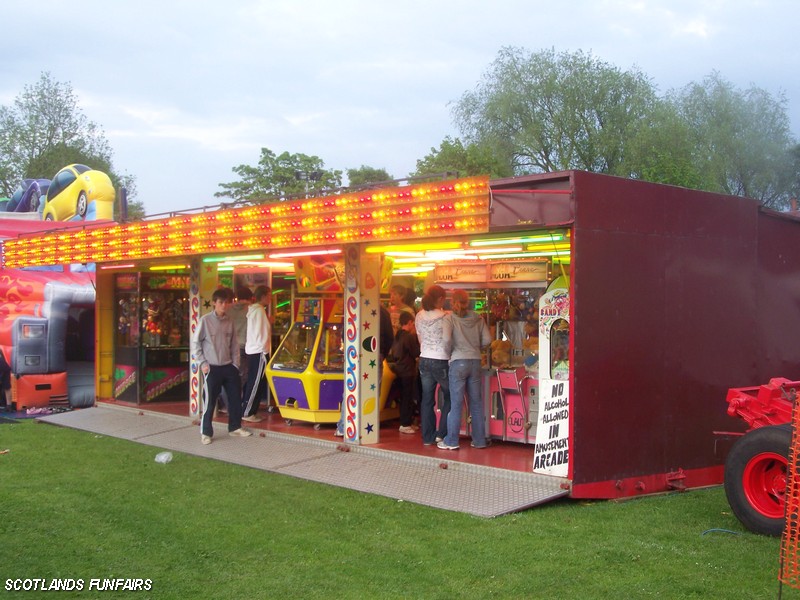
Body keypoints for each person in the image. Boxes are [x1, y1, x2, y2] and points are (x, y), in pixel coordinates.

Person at [192, 287, 251, 445]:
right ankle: (206, 432)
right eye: (221, 302)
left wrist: (235, 365)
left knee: (234, 399)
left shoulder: (229, 321)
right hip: (211, 367)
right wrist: (203, 363)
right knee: (210, 401)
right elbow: (195, 344)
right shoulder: (205, 321)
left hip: (229, 367)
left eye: (227, 303)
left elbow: (234, 345)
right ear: (214, 303)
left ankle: (235, 427)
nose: (224, 305)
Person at [438, 289, 492, 450]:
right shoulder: (478, 318)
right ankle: (479, 440)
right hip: (475, 362)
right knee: (476, 403)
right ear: (467, 302)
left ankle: (452, 440)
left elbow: (447, 339)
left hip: (458, 362)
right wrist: (476, 347)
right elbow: (488, 339)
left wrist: (449, 353)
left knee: (456, 404)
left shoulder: (449, 319)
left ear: (452, 302)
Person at [335, 304, 393, 437]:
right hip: (374, 354)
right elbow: (390, 337)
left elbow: (345, 332)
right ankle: (367, 427)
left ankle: (345, 426)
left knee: (351, 389)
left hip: (354, 354)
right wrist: (382, 353)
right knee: (372, 390)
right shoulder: (382, 311)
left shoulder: (353, 307)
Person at [415, 284, 451, 446]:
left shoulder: (419, 316)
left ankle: (427, 437)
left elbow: (420, 338)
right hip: (442, 359)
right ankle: (441, 433)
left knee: (427, 399)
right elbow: (448, 340)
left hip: (424, 359)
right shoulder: (445, 317)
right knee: (449, 396)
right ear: (441, 299)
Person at [386, 311, 420, 434]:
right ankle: (405, 424)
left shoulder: (397, 336)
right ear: (410, 322)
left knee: (403, 398)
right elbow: (416, 352)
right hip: (408, 371)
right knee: (407, 398)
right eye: (413, 323)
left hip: (399, 370)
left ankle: (406, 422)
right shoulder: (409, 337)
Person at [241, 285, 272, 422]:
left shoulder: (255, 310)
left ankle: (251, 410)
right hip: (259, 351)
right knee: (255, 382)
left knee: (255, 381)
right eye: (269, 295)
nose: (271, 298)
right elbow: (262, 333)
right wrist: (265, 349)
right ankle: (247, 412)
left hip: (254, 350)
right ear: (264, 296)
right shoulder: (259, 311)